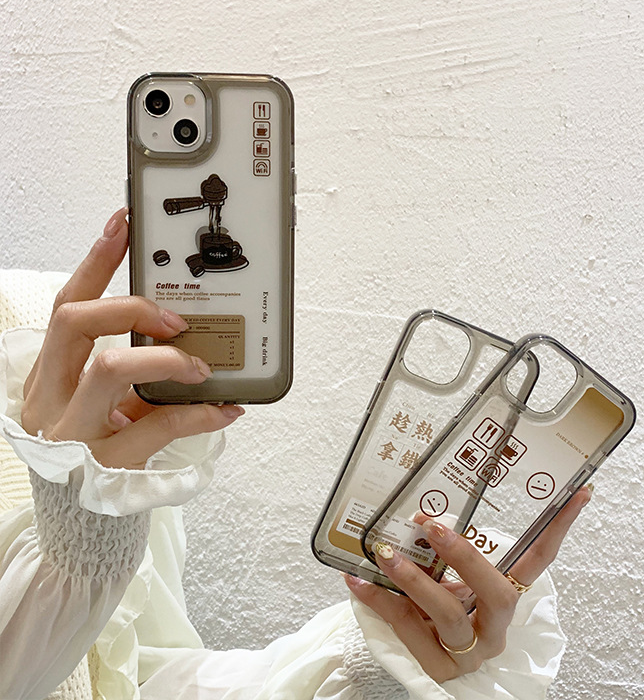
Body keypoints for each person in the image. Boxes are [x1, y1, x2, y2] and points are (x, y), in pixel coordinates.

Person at [0, 209, 592, 700]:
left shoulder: (61, 337)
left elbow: (134, 677)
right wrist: (74, 549)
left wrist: (380, 665)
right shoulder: (58, 359)